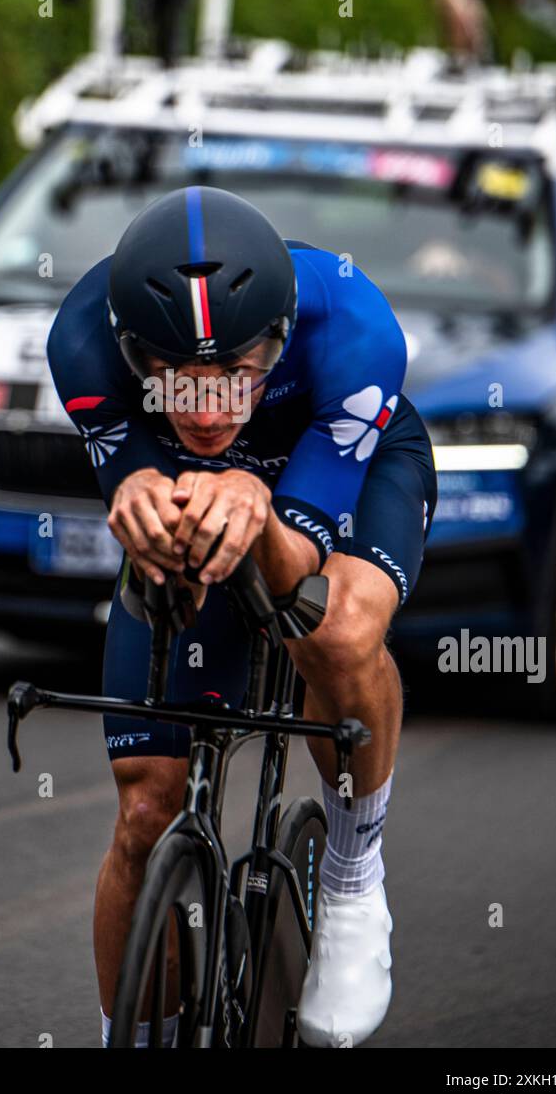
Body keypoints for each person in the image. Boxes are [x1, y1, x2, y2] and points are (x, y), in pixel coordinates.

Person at [47, 185, 437, 1048]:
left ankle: (350, 870)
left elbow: (295, 564)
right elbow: (137, 488)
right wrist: (140, 494)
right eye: (176, 378)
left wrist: (259, 501)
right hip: (207, 493)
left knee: (330, 629)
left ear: (284, 332)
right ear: (129, 351)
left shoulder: (355, 327)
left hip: (339, 473)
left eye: (237, 371)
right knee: (145, 809)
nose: (209, 406)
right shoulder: (79, 336)